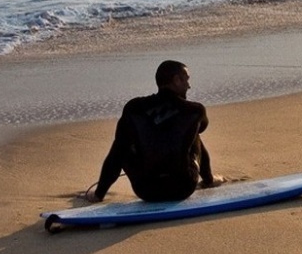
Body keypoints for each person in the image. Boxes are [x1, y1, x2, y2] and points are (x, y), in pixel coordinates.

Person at [86, 60, 216, 203]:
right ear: (176, 80)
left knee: (122, 144)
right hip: (182, 187)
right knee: (193, 131)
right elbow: (202, 127)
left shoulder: (134, 108)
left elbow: (116, 155)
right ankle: (209, 180)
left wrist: (99, 193)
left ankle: (98, 195)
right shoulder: (194, 110)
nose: (189, 86)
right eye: (186, 79)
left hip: (146, 190)